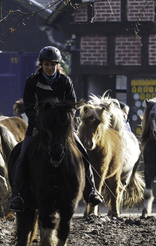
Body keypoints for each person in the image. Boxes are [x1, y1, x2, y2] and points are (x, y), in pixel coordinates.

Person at [9, 46, 104, 212]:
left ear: (57, 65)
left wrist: (63, 122)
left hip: (62, 129)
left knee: (83, 153)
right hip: (39, 128)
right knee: (22, 156)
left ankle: (91, 191)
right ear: (41, 64)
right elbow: (30, 108)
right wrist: (41, 123)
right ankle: (18, 195)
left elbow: (72, 105)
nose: (50, 67)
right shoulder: (32, 81)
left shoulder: (65, 81)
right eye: (47, 64)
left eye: (53, 64)